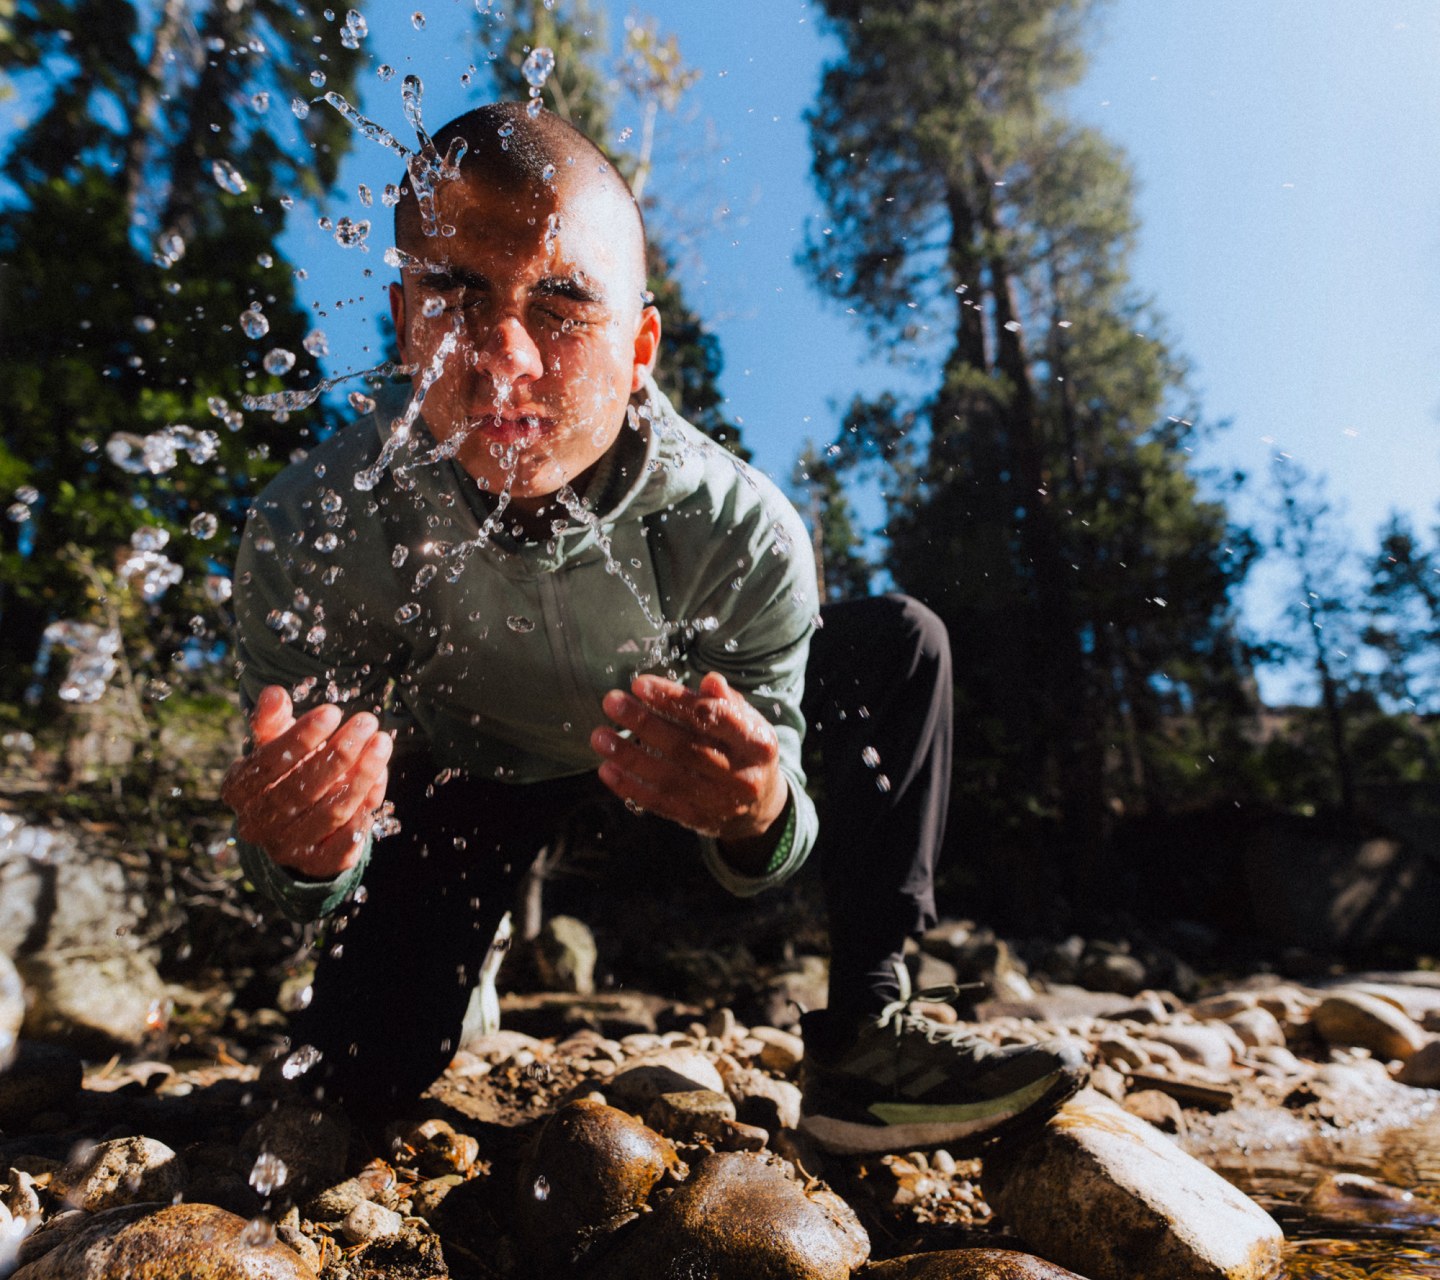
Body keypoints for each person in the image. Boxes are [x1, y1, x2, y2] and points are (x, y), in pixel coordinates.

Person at [222, 101, 1085, 1156]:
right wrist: (308, 849)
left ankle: (868, 1033)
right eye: (456, 295)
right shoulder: (319, 522)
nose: (502, 360)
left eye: (562, 305)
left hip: (658, 764)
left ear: (639, 347)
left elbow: (775, 846)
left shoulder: (741, 529)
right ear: (407, 323)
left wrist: (760, 806)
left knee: (901, 640)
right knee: (348, 1083)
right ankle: (466, 966)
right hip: (468, 778)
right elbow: (298, 858)